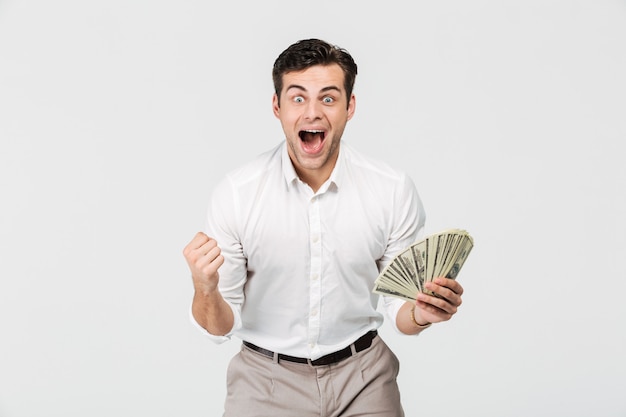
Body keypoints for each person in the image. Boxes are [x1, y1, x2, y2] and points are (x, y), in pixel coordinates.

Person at [183, 38, 464, 417]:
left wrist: (422, 313)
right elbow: (219, 326)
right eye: (298, 98)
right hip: (264, 382)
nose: (312, 113)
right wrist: (205, 289)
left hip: (364, 378)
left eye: (328, 99)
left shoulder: (392, 189)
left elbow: (401, 308)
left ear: (350, 107)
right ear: (276, 106)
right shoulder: (237, 194)